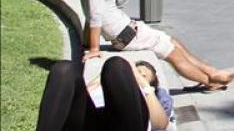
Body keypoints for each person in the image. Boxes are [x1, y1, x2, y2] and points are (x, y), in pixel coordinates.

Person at [81, 0, 234, 91]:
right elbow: (95, 18)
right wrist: (94, 48)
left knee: (174, 42)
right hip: (128, 36)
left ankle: (211, 72)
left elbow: (89, 18)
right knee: (173, 54)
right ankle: (210, 82)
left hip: (131, 32)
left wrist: (86, 41)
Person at [36, 56, 170, 131]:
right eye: (135, 71)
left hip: (123, 125)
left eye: (144, 75)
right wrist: (101, 79)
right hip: (90, 123)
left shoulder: (146, 96)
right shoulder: (106, 80)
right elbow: (75, 99)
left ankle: (121, 69)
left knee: (116, 64)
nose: (138, 74)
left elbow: (161, 124)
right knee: (64, 69)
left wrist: (143, 84)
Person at [135, 60, 175, 130]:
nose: (140, 77)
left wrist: (146, 88)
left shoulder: (162, 98)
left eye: (144, 77)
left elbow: (158, 126)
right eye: (138, 72)